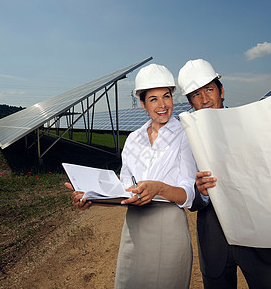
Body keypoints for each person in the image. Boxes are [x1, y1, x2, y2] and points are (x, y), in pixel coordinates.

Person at [177, 59, 271, 289]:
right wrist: (200, 192)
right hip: (215, 246)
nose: (204, 99)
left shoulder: (252, 122)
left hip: (260, 241)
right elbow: (189, 197)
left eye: (209, 90)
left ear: (221, 91)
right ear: (190, 102)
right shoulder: (187, 138)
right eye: (195, 94)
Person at [67, 63, 197, 288]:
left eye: (166, 96)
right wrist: (92, 198)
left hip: (168, 227)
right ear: (142, 103)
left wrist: (159, 189)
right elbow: (124, 192)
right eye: (153, 99)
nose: (162, 104)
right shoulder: (134, 139)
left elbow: (189, 192)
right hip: (134, 229)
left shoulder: (185, 134)